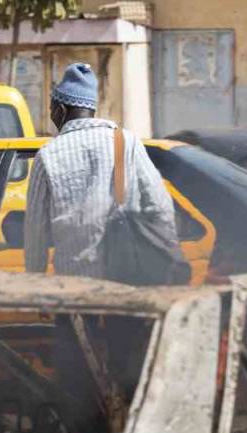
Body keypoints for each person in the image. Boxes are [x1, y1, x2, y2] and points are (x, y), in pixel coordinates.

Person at [24, 62, 180, 279]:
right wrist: (169, 255)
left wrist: (34, 278)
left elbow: (36, 230)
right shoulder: (126, 141)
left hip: (74, 279)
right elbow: (160, 205)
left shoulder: (48, 154)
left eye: (52, 110)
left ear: (60, 110)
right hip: (127, 276)